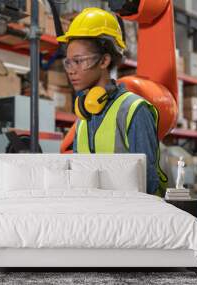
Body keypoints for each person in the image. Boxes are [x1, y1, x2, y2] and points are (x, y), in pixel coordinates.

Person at [57, 7, 167, 195]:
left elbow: (147, 182)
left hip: (131, 218)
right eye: (68, 62)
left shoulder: (133, 110)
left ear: (104, 61)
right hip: (96, 216)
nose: (71, 70)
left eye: (79, 61)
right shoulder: (84, 114)